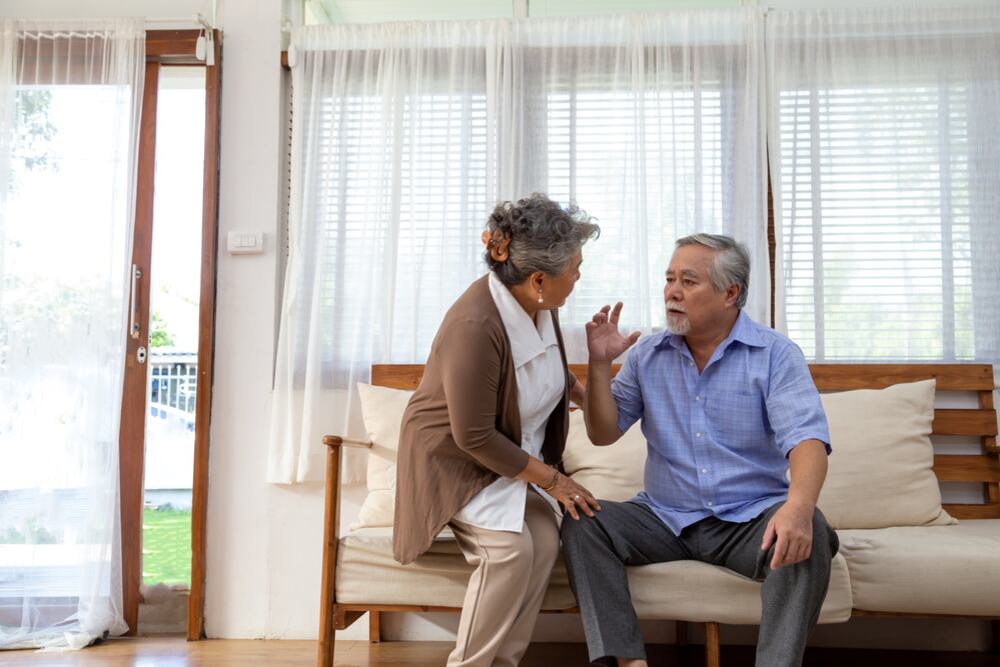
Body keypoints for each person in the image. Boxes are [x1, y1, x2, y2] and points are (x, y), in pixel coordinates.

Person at [563, 233, 838, 667]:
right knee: (584, 521)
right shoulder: (647, 354)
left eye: (688, 281)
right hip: (664, 518)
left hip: (748, 521)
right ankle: (628, 662)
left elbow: (806, 440)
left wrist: (799, 508)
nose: (672, 291)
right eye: (669, 279)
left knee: (810, 529)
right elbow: (603, 433)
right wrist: (600, 365)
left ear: (730, 293)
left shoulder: (775, 354)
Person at [393, 193, 602, 667]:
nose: (579, 276)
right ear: (539, 278)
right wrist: (555, 481)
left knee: (544, 539)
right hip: (454, 459)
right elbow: (473, 437)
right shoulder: (475, 325)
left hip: (505, 455)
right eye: (575, 268)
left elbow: (550, 370)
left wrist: (589, 394)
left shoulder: (540, 304)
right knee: (508, 551)